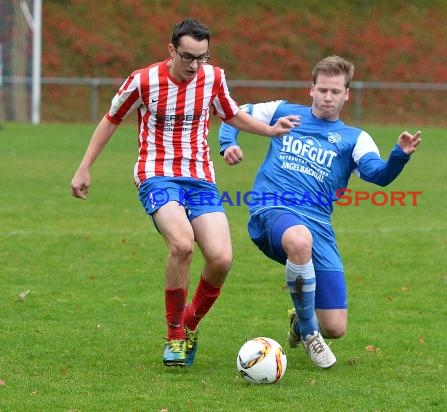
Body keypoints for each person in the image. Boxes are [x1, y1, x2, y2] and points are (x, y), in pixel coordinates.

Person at [70, 18, 298, 367]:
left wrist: (270, 130)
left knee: (221, 259)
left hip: (200, 179)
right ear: (171, 50)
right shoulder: (143, 80)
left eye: (202, 57)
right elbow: (111, 119)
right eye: (188, 57)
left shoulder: (213, 78)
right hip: (157, 175)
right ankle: (175, 333)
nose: (194, 65)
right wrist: (85, 166)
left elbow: (232, 114)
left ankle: (190, 324)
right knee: (182, 244)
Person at [218, 55, 421, 368]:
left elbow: (377, 175)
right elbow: (236, 112)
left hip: (318, 224)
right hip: (272, 207)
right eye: (323, 89)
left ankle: (301, 321)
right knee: (299, 241)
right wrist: (228, 142)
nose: (328, 96)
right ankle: (311, 335)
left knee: (336, 327)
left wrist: (399, 156)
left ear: (346, 95)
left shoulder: (355, 138)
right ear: (311, 89)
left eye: (335, 91)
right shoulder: (283, 111)